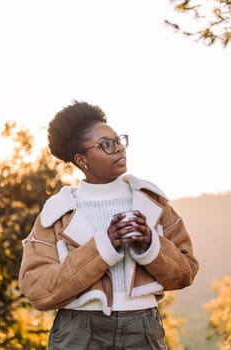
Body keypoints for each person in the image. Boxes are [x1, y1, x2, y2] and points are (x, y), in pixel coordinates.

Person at [18, 100, 199, 350]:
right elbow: (37, 290)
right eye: (106, 145)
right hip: (78, 331)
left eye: (118, 140)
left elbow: (186, 272)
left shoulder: (152, 202)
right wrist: (103, 247)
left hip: (143, 328)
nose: (119, 150)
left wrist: (151, 245)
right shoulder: (57, 213)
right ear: (82, 160)